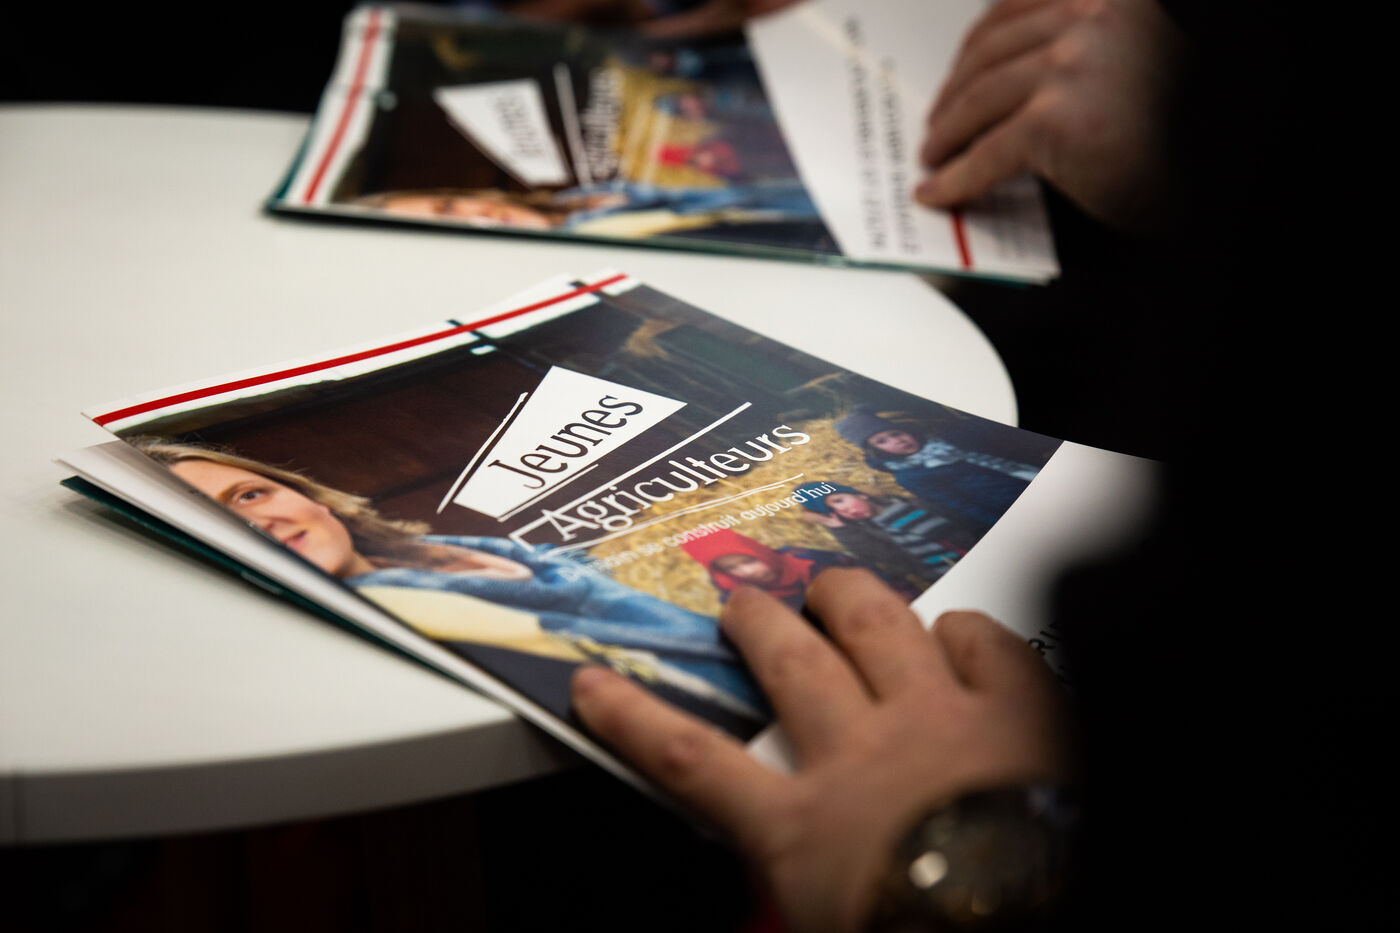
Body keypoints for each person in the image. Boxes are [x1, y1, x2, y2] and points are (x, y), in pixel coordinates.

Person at [136, 440, 766, 722]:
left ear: (312, 498)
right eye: (217, 520)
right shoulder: (398, 626)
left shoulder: (451, 552)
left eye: (249, 494)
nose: (257, 522)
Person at [834, 405, 1043, 530]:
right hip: (1012, 504)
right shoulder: (910, 475)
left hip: (1032, 476)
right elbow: (958, 505)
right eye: (882, 441)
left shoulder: (946, 441)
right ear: (876, 451)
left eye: (896, 433)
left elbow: (988, 432)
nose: (896, 441)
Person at [796, 482, 970, 585]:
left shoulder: (908, 502)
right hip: (945, 576)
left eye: (839, 500)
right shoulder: (867, 532)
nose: (843, 510)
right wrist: (838, 527)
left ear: (860, 495)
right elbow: (884, 557)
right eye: (833, 511)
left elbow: (960, 519)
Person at [679, 526, 860, 610]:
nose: (747, 572)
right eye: (731, 568)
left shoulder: (808, 560)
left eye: (749, 561)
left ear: (760, 552)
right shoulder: (737, 596)